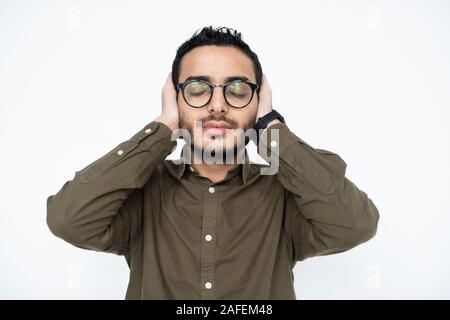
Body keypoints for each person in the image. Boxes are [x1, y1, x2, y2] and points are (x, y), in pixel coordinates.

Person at [46, 26, 380, 299]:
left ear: (258, 103)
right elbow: (68, 219)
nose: (217, 105)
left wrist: (273, 128)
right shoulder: (142, 191)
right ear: (175, 100)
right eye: (197, 88)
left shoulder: (287, 194)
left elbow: (355, 224)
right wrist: (162, 129)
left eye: (237, 90)